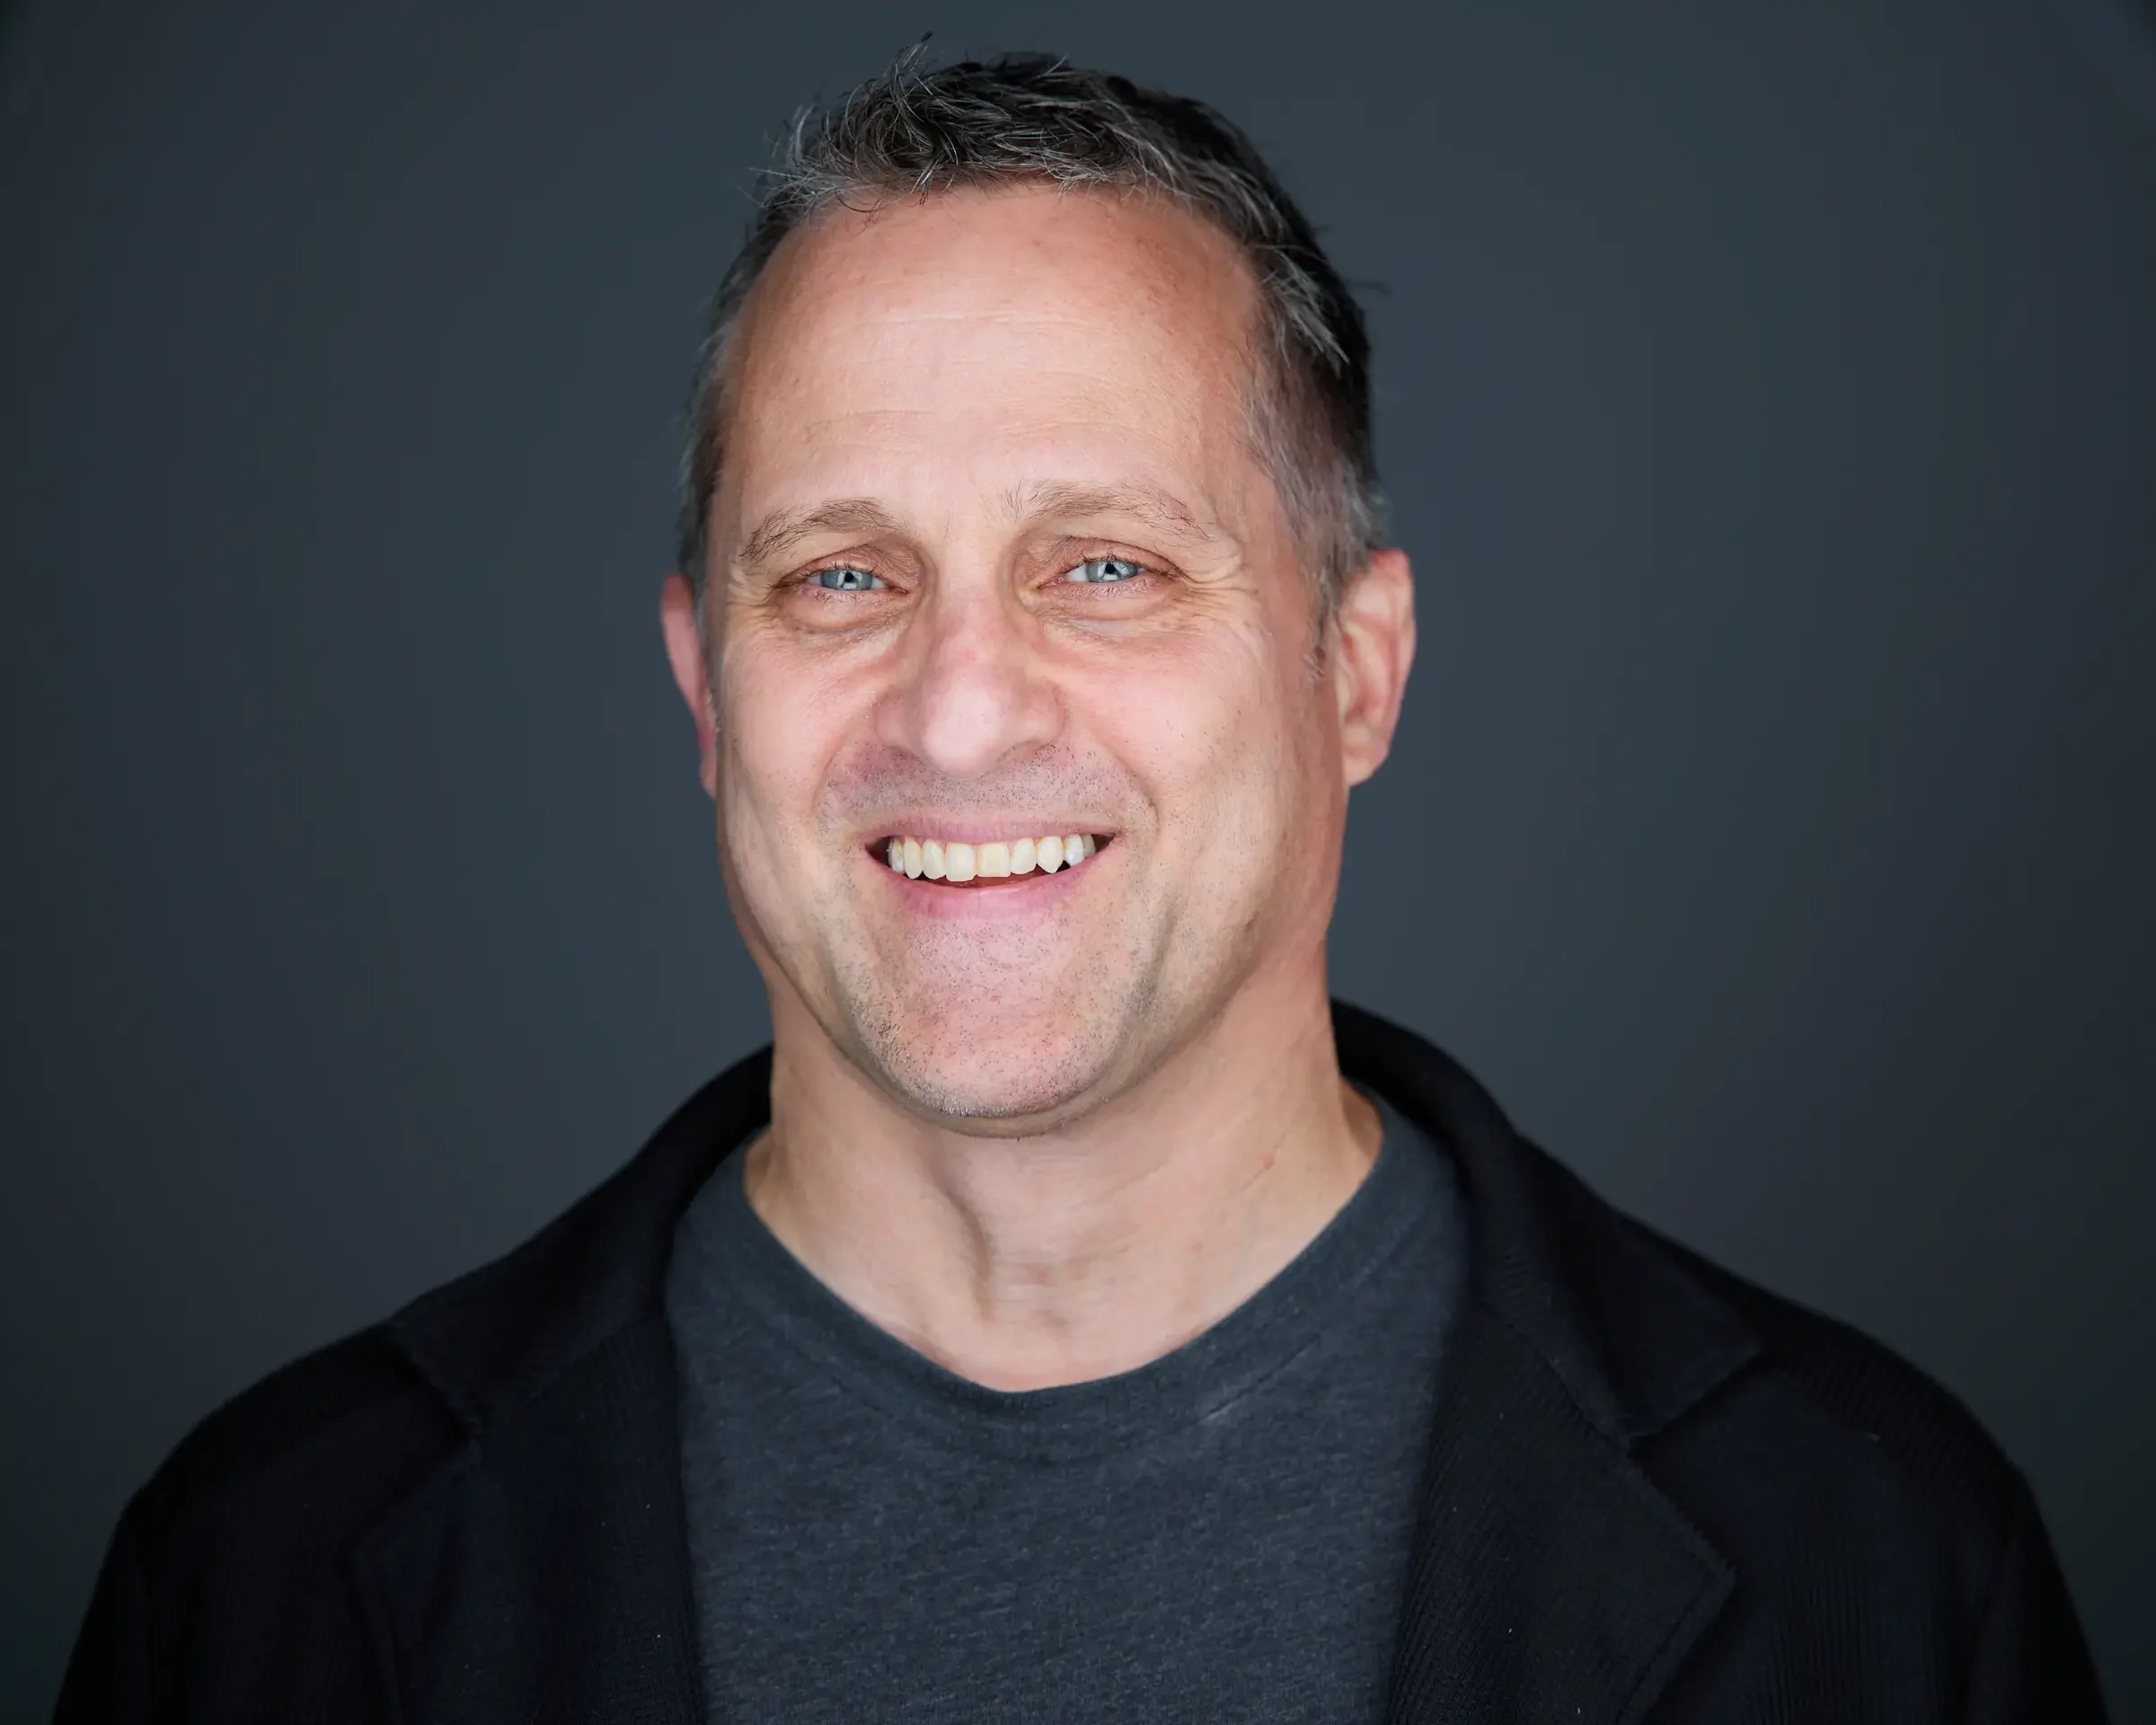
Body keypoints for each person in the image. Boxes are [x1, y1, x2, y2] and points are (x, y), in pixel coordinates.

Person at [57, 50, 2106, 1724]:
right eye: (841, 576)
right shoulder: (257, 1581)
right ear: (705, 685)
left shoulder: (1881, 1563)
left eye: (1105, 566)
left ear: (1355, 672)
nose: (957, 716)